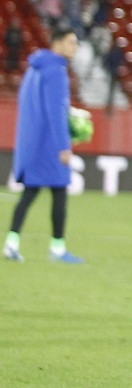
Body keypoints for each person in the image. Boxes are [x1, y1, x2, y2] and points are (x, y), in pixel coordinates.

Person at [5, 27, 84, 264]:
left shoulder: (34, 67)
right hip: (50, 145)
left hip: (31, 142)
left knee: (29, 193)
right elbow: (56, 111)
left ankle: (11, 242)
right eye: (71, 42)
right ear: (57, 43)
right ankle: (57, 249)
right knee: (59, 192)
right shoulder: (57, 70)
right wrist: (64, 145)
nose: (75, 47)